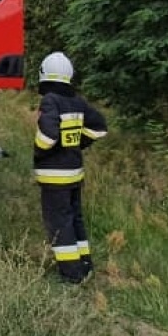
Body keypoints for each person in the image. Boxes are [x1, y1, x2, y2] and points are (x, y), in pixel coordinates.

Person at [32, 51, 108, 284]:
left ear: (44, 74)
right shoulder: (77, 101)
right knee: (75, 218)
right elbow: (99, 128)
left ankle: (71, 274)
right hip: (74, 172)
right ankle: (84, 264)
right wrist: (77, 143)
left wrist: (41, 151)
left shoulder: (50, 100)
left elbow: (47, 135)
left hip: (55, 176)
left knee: (58, 223)